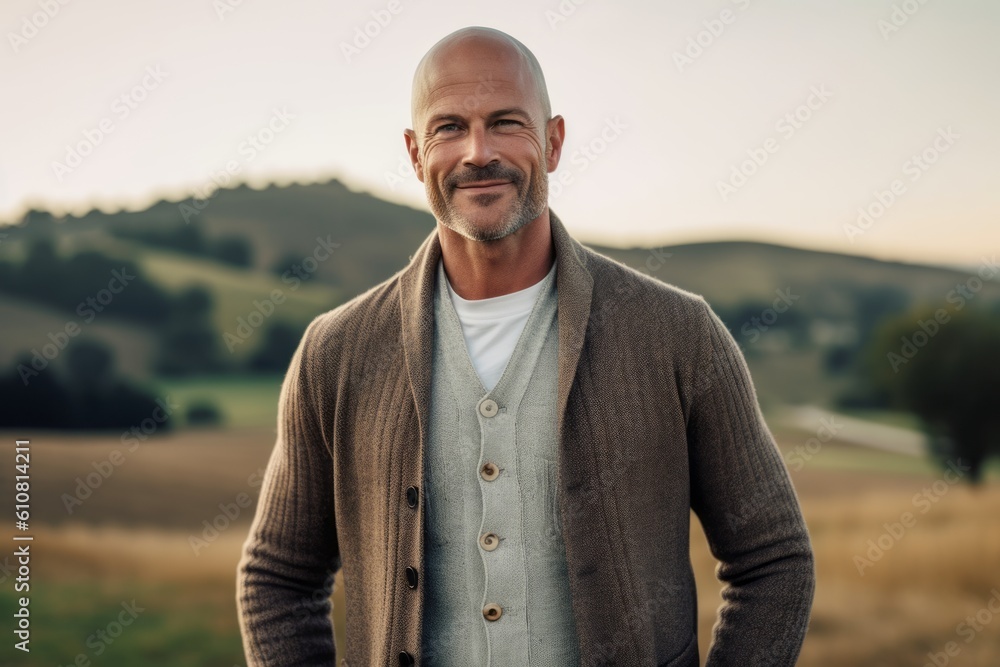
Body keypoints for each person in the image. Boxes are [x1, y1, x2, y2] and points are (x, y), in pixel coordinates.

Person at [237, 26, 815, 667]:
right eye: (448, 127)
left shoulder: (678, 333)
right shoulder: (335, 353)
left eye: (506, 122)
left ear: (554, 140)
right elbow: (279, 579)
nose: (477, 153)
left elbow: (773, 559)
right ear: (413, 152)